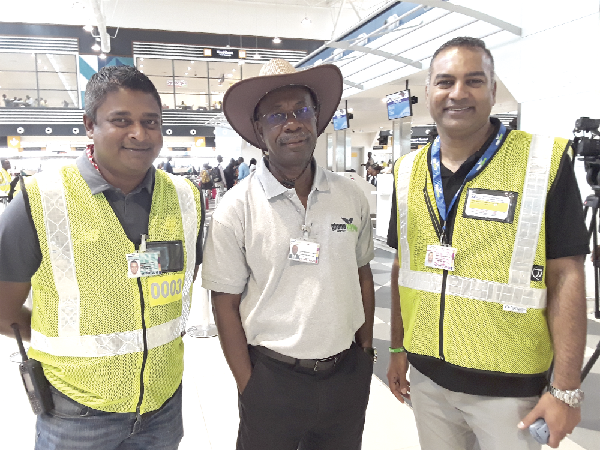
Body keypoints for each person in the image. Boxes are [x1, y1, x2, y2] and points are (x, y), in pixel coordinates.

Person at [386, 37, 588, 450]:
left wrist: (565, 389)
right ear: (428, 92)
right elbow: (401, 268)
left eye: (474, 81)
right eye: (445, 81)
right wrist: (397, 347)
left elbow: (567, 275)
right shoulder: (405, 172)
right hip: (428, 381)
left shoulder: (542, 162)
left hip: (510, 388)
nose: (458, 93)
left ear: (494, 90)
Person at [0, 65, 205, 450]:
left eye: (151, 122)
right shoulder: (40, 201)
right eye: (121, 120)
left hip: (162, 405)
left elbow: (182, 282)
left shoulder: (185, 198)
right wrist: (64, 342)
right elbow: (2, 309)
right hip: (76, 412)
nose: (139, 134)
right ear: (89, 126)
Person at [202, 58, 376, 450]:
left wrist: (364, 355)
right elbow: (224, 305)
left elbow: (363, 272)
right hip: (272, 378)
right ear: (260, 132)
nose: (292, 123)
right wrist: (250, 386)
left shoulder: (350, 195)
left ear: (317, 120)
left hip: (345, 375)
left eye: (302, 110)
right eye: (277, 116)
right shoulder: (236, 207)